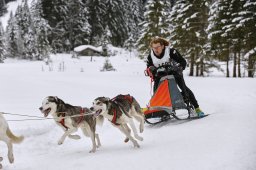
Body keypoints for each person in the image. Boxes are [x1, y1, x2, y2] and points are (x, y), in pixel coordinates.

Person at [146, 36, 204, 117]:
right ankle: (162, 111)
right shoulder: (150, 56)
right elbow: (149, 68)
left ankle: (197, 108)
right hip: (160, 77)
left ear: (162, 46)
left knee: (184, 89)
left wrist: (178, 67)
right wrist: (150, 70)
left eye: (158, 47)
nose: (156, 49)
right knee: (157, 93)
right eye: (154, 47)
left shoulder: (171, 52)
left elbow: (183, 62)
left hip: (175, 74)